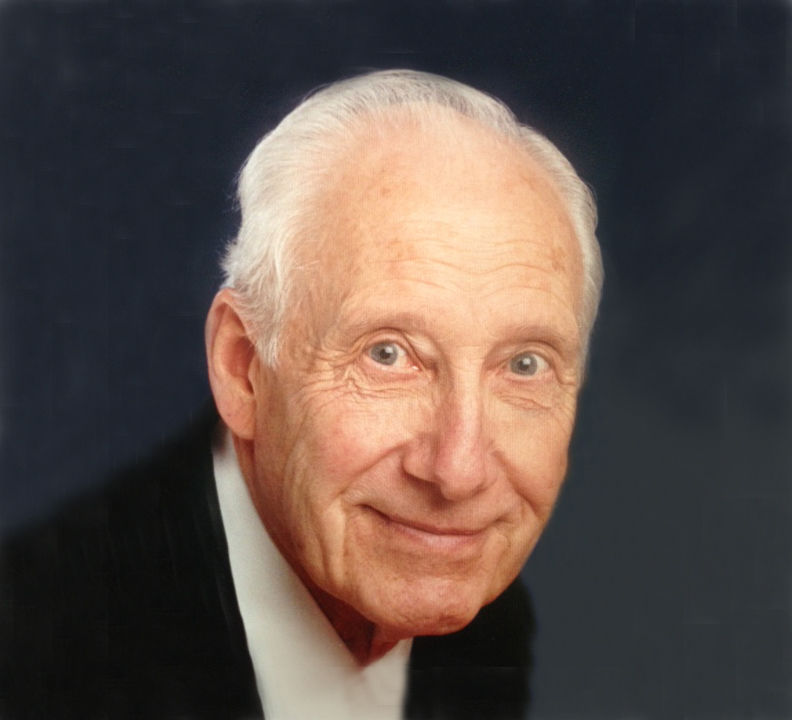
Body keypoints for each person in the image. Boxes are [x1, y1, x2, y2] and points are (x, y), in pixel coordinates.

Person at [0, 69, 602, 719]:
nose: (458, 472)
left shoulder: (493, 635)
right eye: (387, 354)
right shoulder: (37, 652)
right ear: (243, 367)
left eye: (524, 365)